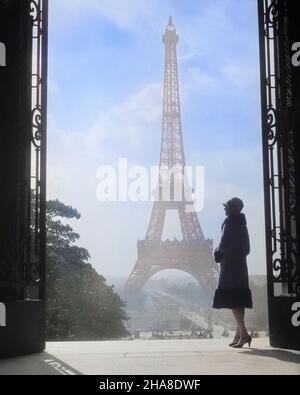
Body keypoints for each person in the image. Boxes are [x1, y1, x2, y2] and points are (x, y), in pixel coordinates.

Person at [212, 197, 253, 348]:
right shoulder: (243, 224)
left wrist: (217, 252)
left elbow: (223, 244)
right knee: (238, 300)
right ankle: (239, 335)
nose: (224, 209)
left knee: (233, 301)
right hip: (240, 265)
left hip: (230, 267)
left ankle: (244, 334)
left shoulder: (229, 222)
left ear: (232, 208)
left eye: (226, 206)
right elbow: (247, 249)